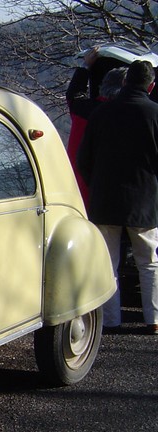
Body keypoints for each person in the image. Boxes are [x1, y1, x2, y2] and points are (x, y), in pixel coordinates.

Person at [77, 60, 158, 334]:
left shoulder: (101, 113)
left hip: (106, 200)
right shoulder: (155, 114)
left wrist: (97, 185)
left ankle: (111, 319)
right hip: (145, 201)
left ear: (124, 82)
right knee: (149, 263)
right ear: (151, 85)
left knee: (108, 263)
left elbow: (84, 159)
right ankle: (153, 319)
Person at [66, 48, 126, 206]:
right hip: (110, 198)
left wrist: (85, 66)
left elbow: (74, 94)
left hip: (75, 192)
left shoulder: (81, 109)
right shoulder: (124, 116)